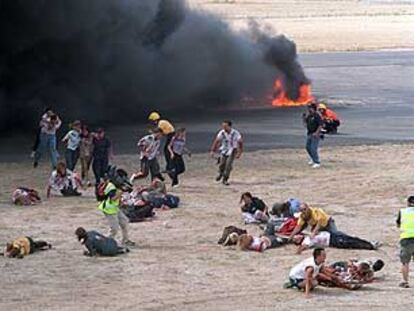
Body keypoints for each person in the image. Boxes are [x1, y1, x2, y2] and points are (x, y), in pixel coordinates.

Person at [98, 182, 135, 246]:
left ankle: (125, 240)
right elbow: (112, 199)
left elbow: (117, 200)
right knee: (114, 229)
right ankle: (105, 242)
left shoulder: (115, 186)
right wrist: (121, 193)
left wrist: (121, 201)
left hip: (114, 207)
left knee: (124, 222)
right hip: (109, 209)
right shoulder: (112, 187)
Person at [210, 120, 243, 186]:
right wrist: (212, 150)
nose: (224, 128)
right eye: (223, 126)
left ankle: (225, 179)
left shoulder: (235, 133)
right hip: (224, 149)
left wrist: (240, 152)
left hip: (233, 150)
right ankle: (220, 173)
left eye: (225, 126)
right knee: (222, 164)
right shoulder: (222, 132)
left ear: (229, 126)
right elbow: (216, 141)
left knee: (228, 165)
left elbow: (240, 142)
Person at [293, 231, 380, 254]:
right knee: (351, 243)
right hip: (331, 241)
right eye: (296, 237)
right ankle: (370, 246)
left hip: (331, 235)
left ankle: (370, 243)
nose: (298, 235)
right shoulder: (306, 241)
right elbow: (302, 247)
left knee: (352, 238)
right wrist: (299, 250)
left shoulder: (306, 235)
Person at [396, 195, 414, 288]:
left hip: (406, 239)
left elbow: (398, 224)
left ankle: (405, 281)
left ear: (408, 203)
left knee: (405, 262)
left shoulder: (403, 212)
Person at [303, 102, 323, 168]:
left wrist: (317, 133)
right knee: (307, 147)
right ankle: (313, 158)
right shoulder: (309, 115)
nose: (308, 109)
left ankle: (317, 162)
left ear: (313, 108)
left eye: (310, 108)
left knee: (313, 148)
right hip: (309, 133)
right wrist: (304, 118)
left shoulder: (317, 115)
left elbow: (320, 125)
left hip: (315, 134)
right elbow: (306, 125)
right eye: (308, 108)